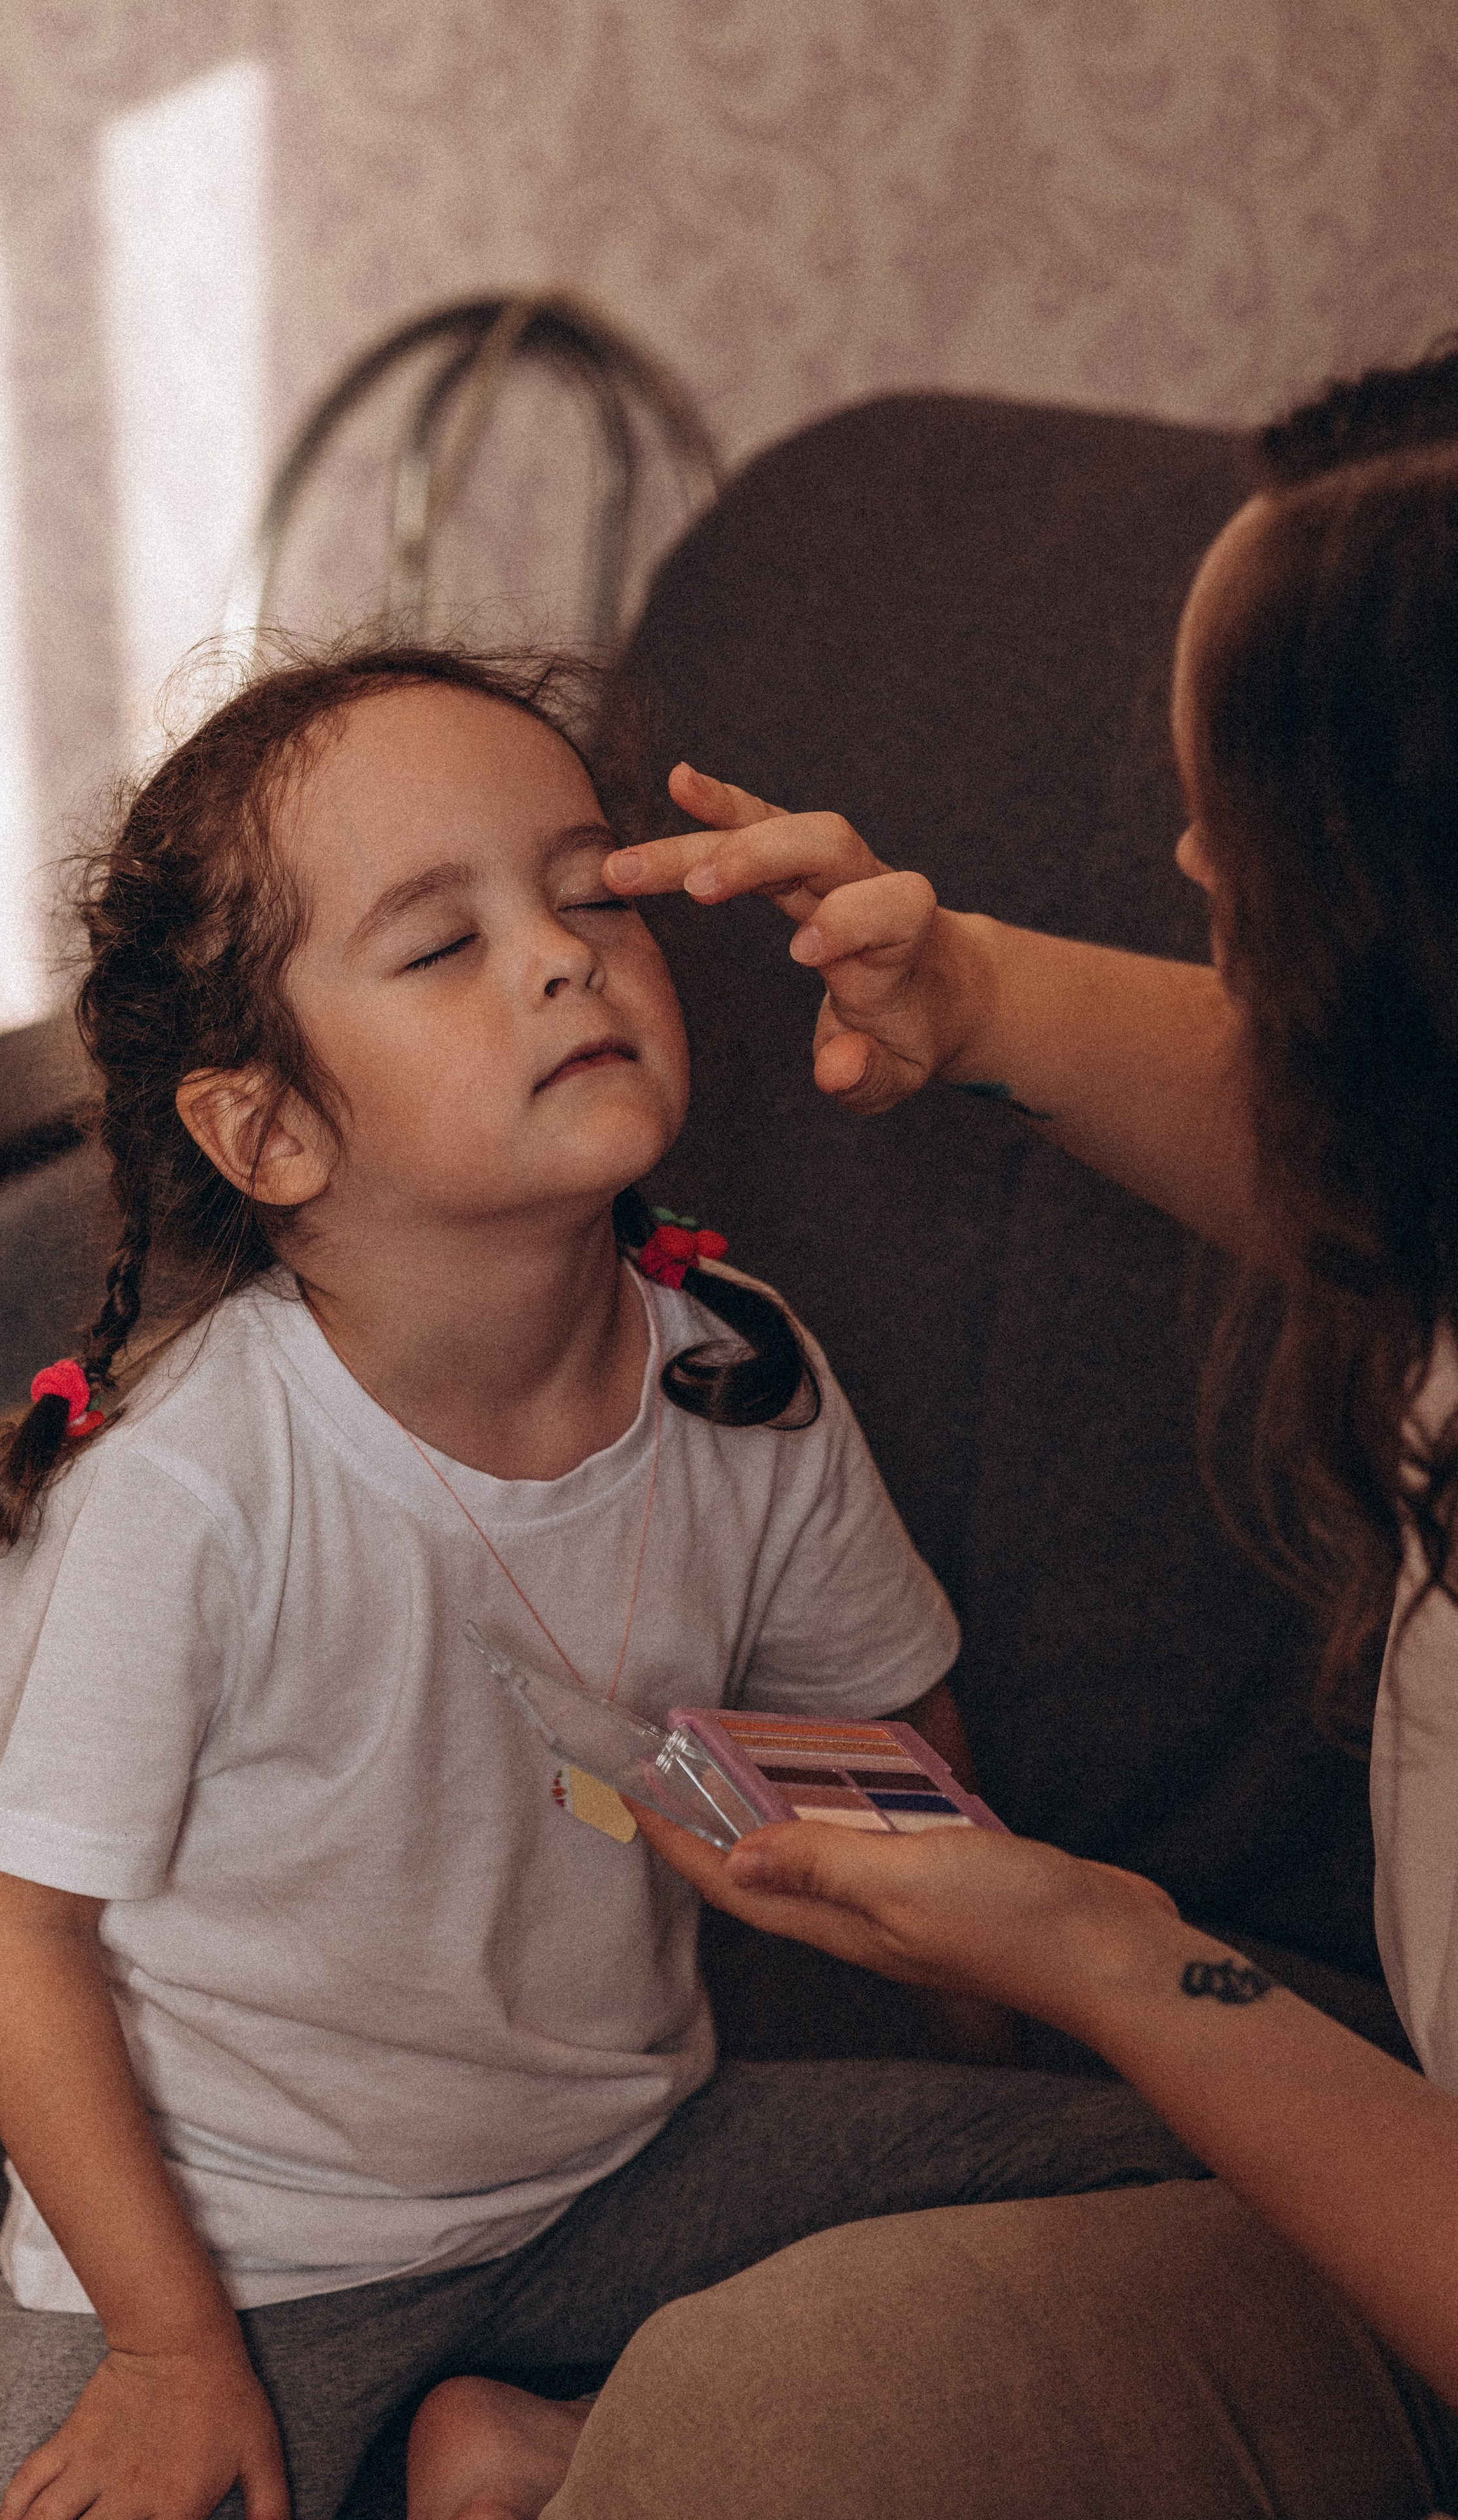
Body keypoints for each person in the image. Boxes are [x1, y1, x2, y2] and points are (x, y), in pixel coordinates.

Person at [0, 642, 1198, 2520]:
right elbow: (12, 1939)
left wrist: (977, 2057)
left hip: (626, 2169)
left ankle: (534, 2452)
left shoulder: (740, 1370)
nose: (561, 955)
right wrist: (166, 2347)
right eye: (441, 944)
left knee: (1184, 2213)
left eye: (587, 892)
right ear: (270, 1129)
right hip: (250, 2257)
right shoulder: (186, 1488)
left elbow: (890, 1737)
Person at [406, 358, 1458, 2517]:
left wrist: (1101, 1952)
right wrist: (974, 997)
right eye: (437, 940)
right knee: (760, 2407)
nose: (1178, 862)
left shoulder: (739, 1382)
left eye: (1237, 827)